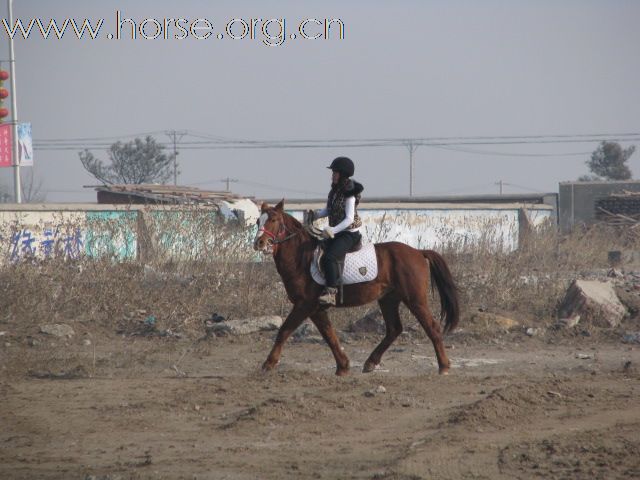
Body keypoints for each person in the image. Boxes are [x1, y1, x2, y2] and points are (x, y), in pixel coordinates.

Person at [313, 157, 364, 305]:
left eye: (335, 173)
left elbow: (349, 219)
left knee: (330, 257)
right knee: (317, 248)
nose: (332, 175)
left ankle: (331, 292)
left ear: (343, 174)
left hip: (349, 233)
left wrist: (333, 230)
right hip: (337, 232)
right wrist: (316, 215)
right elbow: (329, 210)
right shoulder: (334, 191)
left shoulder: (350, 192)